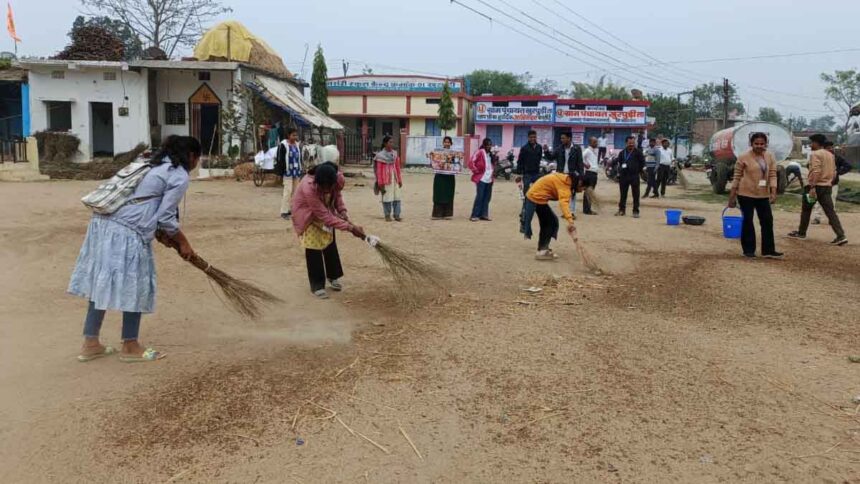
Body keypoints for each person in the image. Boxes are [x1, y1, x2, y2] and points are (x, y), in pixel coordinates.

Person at [69, 135, 201, 363]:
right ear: (191, 156)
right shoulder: (178, 175)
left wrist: (164, 236)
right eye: (198, 158)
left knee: (102, 281)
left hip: (103, 225)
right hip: (126, 232)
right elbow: (166, 217)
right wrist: (184, 242)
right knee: (136, 284)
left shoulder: (151, 162)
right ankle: (130, 346)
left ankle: (90, 343)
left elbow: (150, 209)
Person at [291, 162, 366, 299]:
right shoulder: (309, 187)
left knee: (330, 242)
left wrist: (342, 212)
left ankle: (333, 276)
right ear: (317, 183)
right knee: (313, 247)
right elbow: (324, 215)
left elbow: (337, 196)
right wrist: (349, 227)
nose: (326, 190)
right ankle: (317, 285)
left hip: (325, 212)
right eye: (323, 187)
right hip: (309, 215)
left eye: (328, 187)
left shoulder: (338, 179)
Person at [727, 132, 783, 259]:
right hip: (745, 194)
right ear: (751, 144)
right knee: (748, 221)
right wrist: (732, 197)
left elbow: (773, 174)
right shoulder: (743, 157)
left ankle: (768, 250)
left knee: (767, 221)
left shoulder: (770, 156)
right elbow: (736, 177)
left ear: (766, 144)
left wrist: (773, 192)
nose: (759, 146)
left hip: (763, 195)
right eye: (756, 143)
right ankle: (748, 250)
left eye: (762, 143)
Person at [788, 134, 847, 245]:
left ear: (817, 143)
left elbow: (816, 171)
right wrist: (829, 182)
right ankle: (841, 235)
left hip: (815, 187)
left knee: (806, 209)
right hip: (827, 187)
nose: (810, 145)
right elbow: (834, 172)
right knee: (830, 212)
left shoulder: (815, 154)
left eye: (812, 142)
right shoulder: (830, 155)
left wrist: (813, 187)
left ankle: (801, 233)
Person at [524, 172, 577, 260]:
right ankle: (542, 251)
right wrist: (570, 221)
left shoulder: (564, 178)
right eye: (583, 188)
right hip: (536, 198)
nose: (582, 190)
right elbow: (564, 203)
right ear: (579, 183)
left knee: (551, 221)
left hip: (537, 196)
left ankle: (543, 248)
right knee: (549, 223)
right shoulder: (565, 186)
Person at [811, 140, 852, 224]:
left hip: (833, 184)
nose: (830, 149)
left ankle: (831, 219)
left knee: (831, 201)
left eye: (831, 148)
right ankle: (817, 218)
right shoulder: (820, 157)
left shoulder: (837, 157)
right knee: (819, 201)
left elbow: (848, 166)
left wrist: (838, 172)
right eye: (828, 148)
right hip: (821, 183)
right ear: (824, 148)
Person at [544, 132, 583, 216]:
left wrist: (581, 178)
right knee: (562, 194)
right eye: (561, 138)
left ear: (569, 138)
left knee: (572, 193)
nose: (562, 140)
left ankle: (571, 212)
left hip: (572, 175)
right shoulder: (559, 148)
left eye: (563, 138)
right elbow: (551, 157)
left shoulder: (577, 148)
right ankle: (565, 211)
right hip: (561, 175)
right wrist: (546, 151)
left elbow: (580, 163)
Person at [515, 130, 544, 223]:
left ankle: (537, 209)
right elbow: (520, 161)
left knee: (537, 192)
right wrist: (519, 173)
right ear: (528, 138)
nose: (533, 139)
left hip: (536, 174)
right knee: (526, 192)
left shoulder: (539, 147)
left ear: (536, 137)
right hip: (527, 174)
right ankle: (524, 210)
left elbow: (539, 159)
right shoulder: (524, 148)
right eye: (531, 137)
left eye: (534, 137)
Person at [614, 136, 645, 218]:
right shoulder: (622, 153)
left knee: (636, 194)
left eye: (632, 143)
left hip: (634, 176)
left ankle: (635, 211)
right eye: (629, 143)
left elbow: (642, 162)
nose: (631, 144)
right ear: (626, 143)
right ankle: (621, 210)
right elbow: (620, 164)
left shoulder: (638, 152)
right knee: (623, 194)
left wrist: (638, 170)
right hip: (624, 176)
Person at [374, 135, 403, 222]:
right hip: (385, 180)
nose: (392, 144)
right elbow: (378, 171)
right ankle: (387, 215)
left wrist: (400, 180)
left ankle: (397, 215)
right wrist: (380, 183)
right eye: (390, 142)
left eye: (392, 142)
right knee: (387, 197)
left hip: (395, 179)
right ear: (385, 143)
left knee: (397, 197)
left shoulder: (394, 154)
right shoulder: (380, 156)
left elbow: (397, 167)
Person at [278, 128, 303, 220]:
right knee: (287, 191)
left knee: (296, 192)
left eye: (296, 135)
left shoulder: (297, 145)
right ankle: (284, 211)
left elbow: (299, 158)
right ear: (288, 135)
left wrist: (301, 169)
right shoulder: (283, 145)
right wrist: (281, 172)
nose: (295, 137)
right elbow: (280, 159)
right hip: (287, 172)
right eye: (293, 135)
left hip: (296, 171)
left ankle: (292, 210)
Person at [468, 137, 495, 222]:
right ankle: (474, 215)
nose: (489, 146)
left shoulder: (490, 154)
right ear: (484, 145)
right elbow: (471, 162)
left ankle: (484, 214)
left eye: (490, 145)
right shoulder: (479, 152)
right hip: (481, 178)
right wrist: (476, 171)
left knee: (487, 197)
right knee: (480, 196)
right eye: (487, 145)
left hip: (489, 179)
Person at [432, 136, 457, 220]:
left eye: (448, 142)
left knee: (448, 194)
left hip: (450, 177)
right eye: (445, 142)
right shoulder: (438, 152)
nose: (447, 143)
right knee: (439, 193)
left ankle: (447, 214)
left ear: (451, 143)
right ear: (443, 143)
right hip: (439, 176)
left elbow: (456, 164)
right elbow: (434, 163)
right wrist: (431, 157)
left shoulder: (454, 153)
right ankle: (437, 214)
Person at [581, 136, 600, 215]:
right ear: (590, 143)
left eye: (596, 142)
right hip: (590, 173)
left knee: (589, 192)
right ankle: (587, 210)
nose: (596, 143)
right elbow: (580, 158)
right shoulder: (588, 151)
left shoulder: (594, 151)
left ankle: (587, 209)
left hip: (593, 173)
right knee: (589, 192)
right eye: (594, 142)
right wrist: (585, 165)